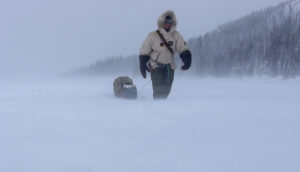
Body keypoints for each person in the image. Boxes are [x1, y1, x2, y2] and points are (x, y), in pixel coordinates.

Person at [139, 10, 192, 99]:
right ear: (162, 22)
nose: (168, 24)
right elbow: (145, 50)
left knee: (167, 90)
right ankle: (157, 109)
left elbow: (182, 47)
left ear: (173, 23)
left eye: (170, 22)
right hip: (156, 67)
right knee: (158, 91)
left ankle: (163, 108)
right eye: (166, 22)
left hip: (169, 67)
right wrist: (142, 64)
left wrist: (187, 59)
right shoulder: (153, 35)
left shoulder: (176, 35)